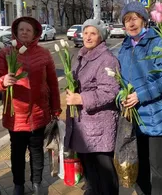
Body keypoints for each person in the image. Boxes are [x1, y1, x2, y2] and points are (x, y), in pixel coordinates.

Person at [0, 16, 61, 195]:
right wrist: (3, 81)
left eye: (28, 30)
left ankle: (37, 184)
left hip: (39, 112)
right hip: (16, 113)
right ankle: (18, 185)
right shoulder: (6, 53)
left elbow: (53, 82)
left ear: (35, 33)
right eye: (21, 29)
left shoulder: (43, 54)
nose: (24, 33)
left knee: (37, 150)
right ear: (15, 31)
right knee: (17, 152)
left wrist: (55, 107)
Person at [117, 1, 162, 195]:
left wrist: (139, 96)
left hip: (157, 116)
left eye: (134, 18)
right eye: (126, 20)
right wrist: (122, 98)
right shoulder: (124, 47)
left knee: (159, 170)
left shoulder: (157, 42)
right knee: (139, 166)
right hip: (134, 118)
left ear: (143, 19)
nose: (131, 23)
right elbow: (120, 82)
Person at [64, 19, 120, 195]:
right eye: (86, 32)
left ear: (101, 37)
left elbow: (110, 91)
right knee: (90, 170)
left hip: (99, 126)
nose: (88, 36)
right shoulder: (82, 56)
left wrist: (80, 97)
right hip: (83, 124)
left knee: (104, 172)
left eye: (93, 33)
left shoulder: (106, 59)